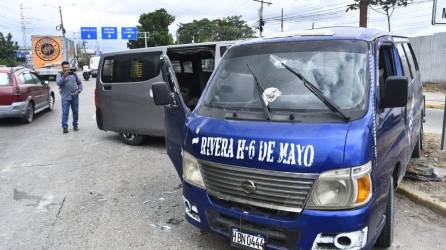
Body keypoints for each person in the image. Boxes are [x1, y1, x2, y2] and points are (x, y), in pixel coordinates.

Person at [56, 61, 83, 134]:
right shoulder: (60, 74)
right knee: (65, 112)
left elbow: (79, 83)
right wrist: (64, 76)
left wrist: (79, 90)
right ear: (62, 68)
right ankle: (65, 127)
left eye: (67, 67)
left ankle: (75, 125)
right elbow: (58, 83)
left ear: (69, 67)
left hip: (74, 96)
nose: (66, 69)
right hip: (65, 97)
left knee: (75, 112)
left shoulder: (74, 74)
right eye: (65, 67)